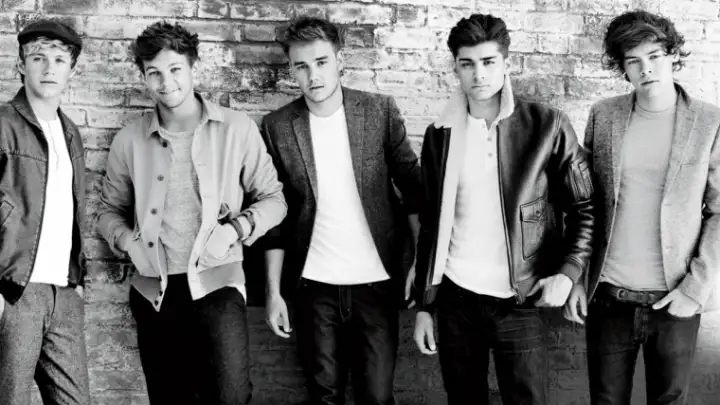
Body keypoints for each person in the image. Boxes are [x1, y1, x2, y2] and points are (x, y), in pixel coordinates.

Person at [96, 21, 287, 405]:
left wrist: (235, 229)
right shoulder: (129, 140)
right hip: (155, 291)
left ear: (192, 66)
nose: (166, 82)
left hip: (219, 285)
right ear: (143, 76)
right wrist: (127, 243)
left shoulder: (236, 128)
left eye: (175, 69)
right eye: (154, 73)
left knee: (231, 396)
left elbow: (274, 200)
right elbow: (108, 212)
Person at [413, 13, 595, 405]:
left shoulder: (547, 126)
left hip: (521, 298)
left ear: (506, 64)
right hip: (456, 297)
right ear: (456, 68)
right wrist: (425, 305)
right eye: (467, 64)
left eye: (488, 61)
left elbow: (585, 208)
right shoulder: (439, 135)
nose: (478, 74)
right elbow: (431, 222)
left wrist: (569, 273)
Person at [260, 16, 422, 405]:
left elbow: (415, 191)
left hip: (376, 282)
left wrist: (420, 261)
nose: (312, 75)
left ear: (339, 61)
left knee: (377, 397)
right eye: (301, 66)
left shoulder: (379, 112)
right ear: (292, 71)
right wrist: (273, 292)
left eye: (321, 62)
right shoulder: (278, 127)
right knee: (324, 396)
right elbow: (275, 217)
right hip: (313, 285)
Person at [564, 10, 720, 405]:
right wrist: (576, 277)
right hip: (608, 296)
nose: (645, 68)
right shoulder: (604, 115)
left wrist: (695, 289)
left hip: (675, 299)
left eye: (654, 56)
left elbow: (719, 212)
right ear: (623, 68)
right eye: (633, 61)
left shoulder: (709, 122)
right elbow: (586, 203)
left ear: (673, 55)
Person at [0, 19, 89, 405]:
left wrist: (78, 280)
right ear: (21, 65)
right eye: (38, 57)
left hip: (64, 292)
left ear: (72, 70)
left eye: (59, 59)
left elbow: (72, 210)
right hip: (14, 291)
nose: (49, 67)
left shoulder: (71, 132)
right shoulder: (3, 124)